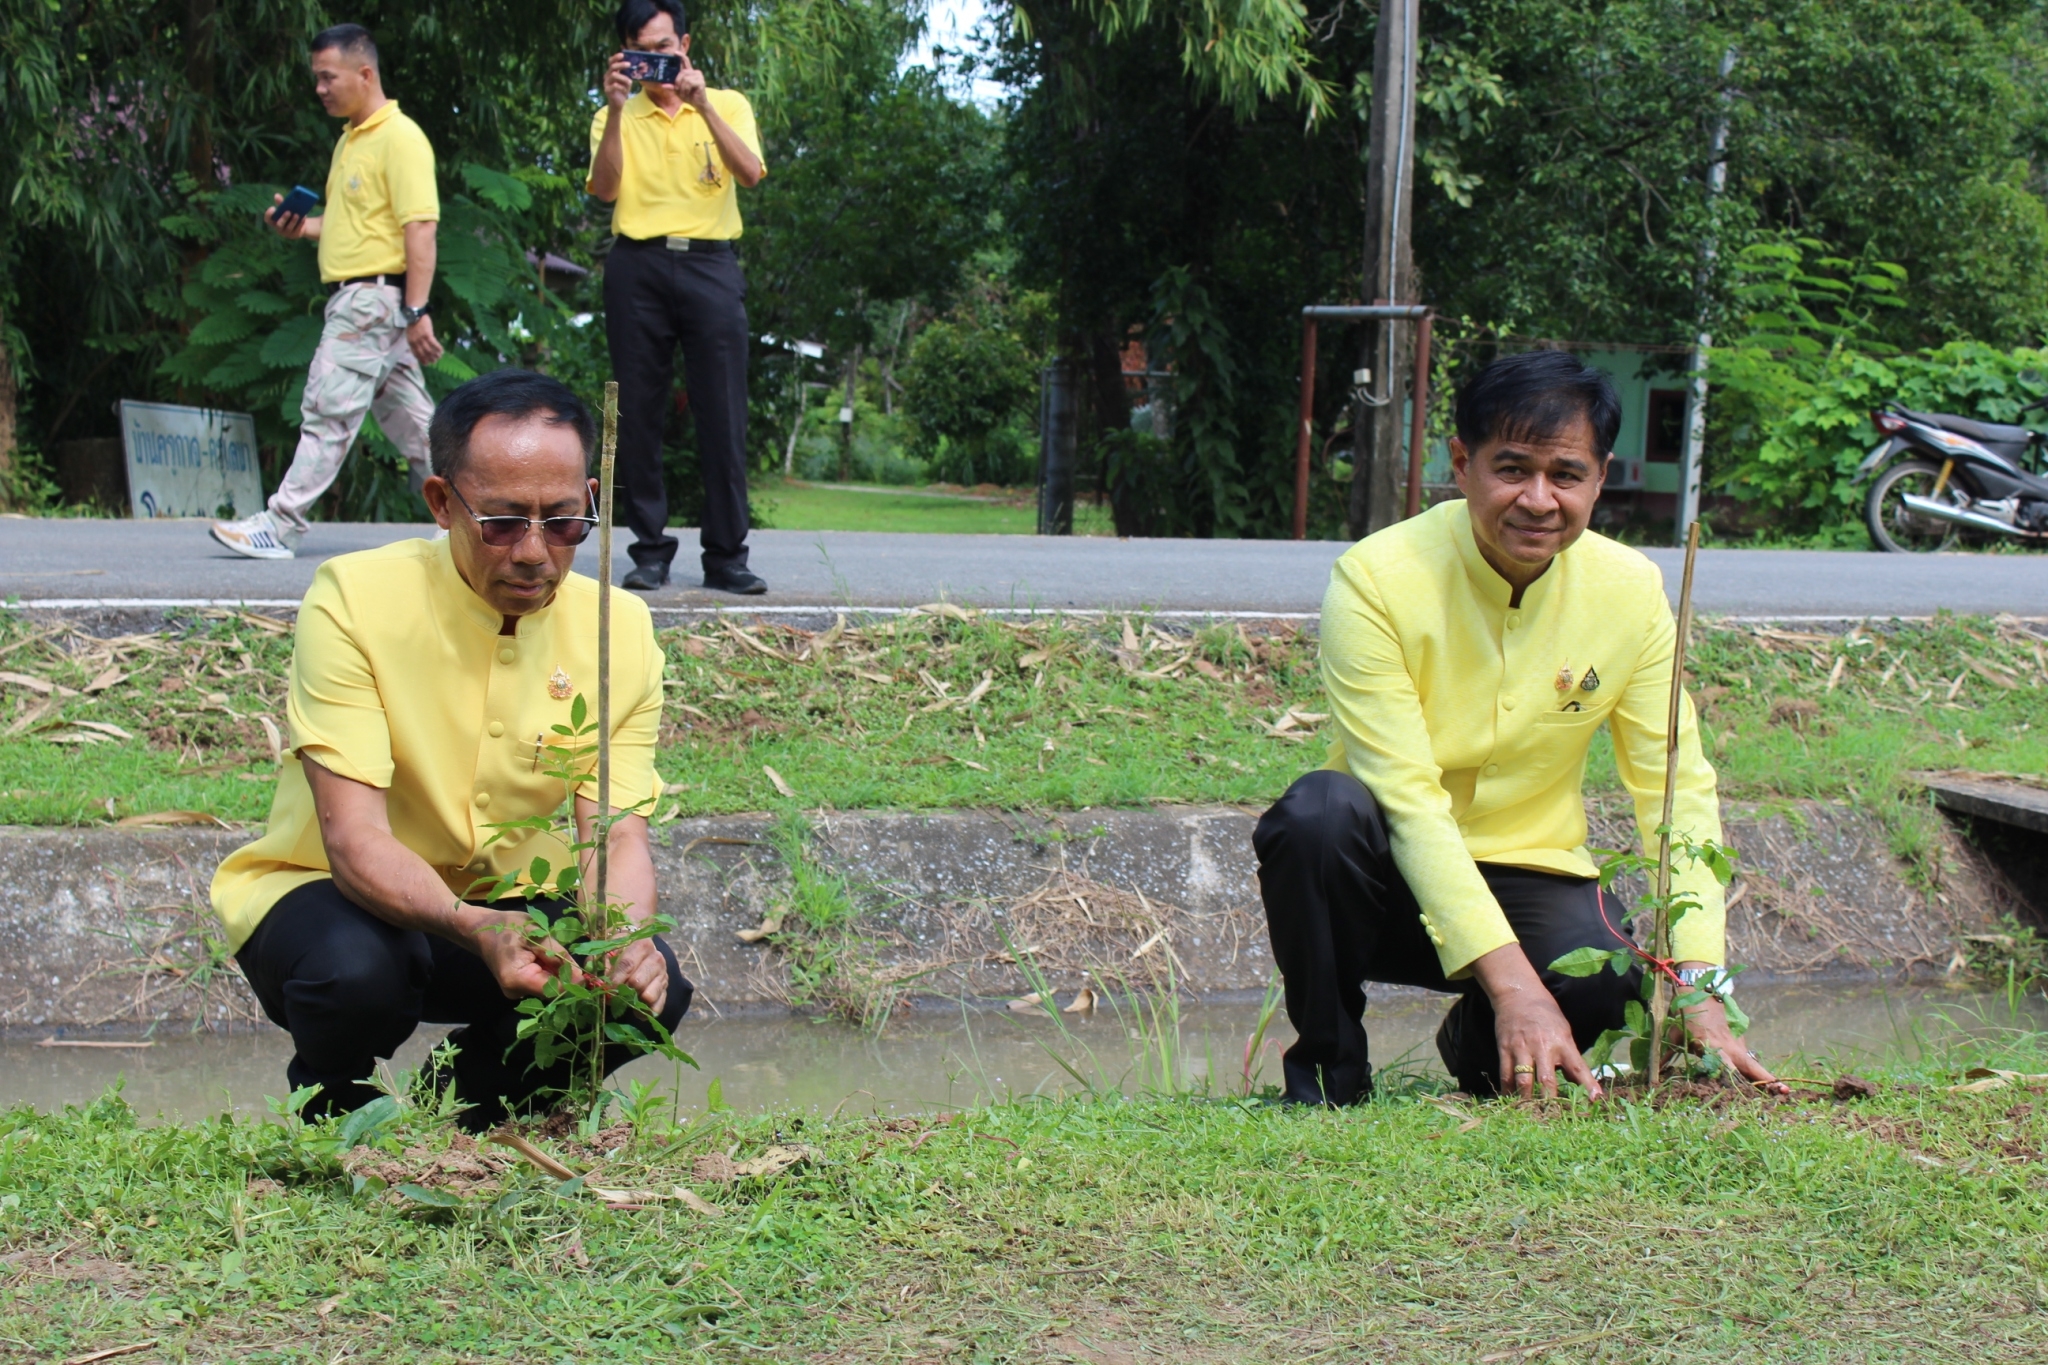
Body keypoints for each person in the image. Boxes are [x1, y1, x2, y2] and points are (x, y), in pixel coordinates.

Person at [1255, 350, 1787, 1104]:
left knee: (1607, 986)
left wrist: (1699, 983)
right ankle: (1329, 1075)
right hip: (1384, 877)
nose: (1538, 499)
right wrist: (1518, 985)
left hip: (1533, 871)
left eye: (1566, 474)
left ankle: (1480, 1043)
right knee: (1317, 815)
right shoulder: (1375, 577)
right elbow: (1404, 796)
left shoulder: (1631, 592)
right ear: (1463, 463)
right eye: (1512, 469)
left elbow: (1675, 791)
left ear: (1600, 478)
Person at [210, 369, 691, 1126]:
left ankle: (455, 1114)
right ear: (441, 502)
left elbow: (616, 832)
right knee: (355, 971)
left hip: (512, 909)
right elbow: (353, 835)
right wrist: (473, 924)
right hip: (341, 902)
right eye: (502, 521)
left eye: (563, 521)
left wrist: (626, 942)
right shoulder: (354, 600)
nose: (535, 551)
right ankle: (335, 1111)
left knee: (645, 990)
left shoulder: (619, 629)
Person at [209, 23, 441, 561]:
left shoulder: (400, 137)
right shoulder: (351, 140)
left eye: (326, 77)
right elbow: (347, 225)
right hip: (368, 299)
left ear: (365, 74)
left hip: (371, 301)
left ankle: (282, 524)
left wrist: (417, 309)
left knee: (328, 410)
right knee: (418, 426)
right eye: (316, 78)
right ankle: (474, 516)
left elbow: (420, 228)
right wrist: (302, 226)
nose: (319, 88)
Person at [587, 0, 768, 595]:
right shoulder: (614, 114)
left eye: (667, 48)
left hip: (711, 264)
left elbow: (751, 173)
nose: (659, 61)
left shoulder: (729, 103)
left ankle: (727, 556)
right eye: (645, 51)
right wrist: (616, 112)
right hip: (636, 264)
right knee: (638, 411)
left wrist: (704, 104)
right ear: (626, 58)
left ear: (685, 45)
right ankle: (650, 552)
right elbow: (605, 189)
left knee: (722, 409)